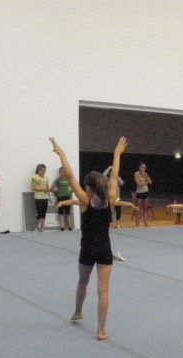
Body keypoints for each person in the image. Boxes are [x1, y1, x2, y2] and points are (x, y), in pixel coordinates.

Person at [50, 136, 136, 340]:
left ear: (88, 187)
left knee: (83, 281)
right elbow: (114, 176)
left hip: (87, 249)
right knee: (103, 290)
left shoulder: (85, 200)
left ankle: (78, 311)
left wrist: (61, 153)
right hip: (105, 249)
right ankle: (101, 330)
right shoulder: (110, 199)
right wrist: (117, 153)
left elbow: (70, 176)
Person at [52, 166, 73, 231]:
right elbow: (53, 187)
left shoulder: (68, 179)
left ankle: (69, 226)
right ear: (59, 172)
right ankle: (62, 227)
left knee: (67, 212)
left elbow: (73, 186)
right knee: (61, 212)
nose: (62, 173)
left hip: (67, 196)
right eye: (60, 172)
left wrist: (70, 191)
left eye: (63, 172)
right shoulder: (58, 179)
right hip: (60, 197)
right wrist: (55, 192)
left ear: (65, 172)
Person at [31, 163, 50, 232]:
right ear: (38, 170)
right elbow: (33, 188)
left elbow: (47, 187)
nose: (44, 172)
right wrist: (42, 189)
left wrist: (48, 190)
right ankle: (36, 228)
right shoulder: (34, 177)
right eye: (42, 171)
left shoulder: (46, 178)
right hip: (38, 197)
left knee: (43, 213)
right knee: (39, 212)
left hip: (45, 197)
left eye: (45, 171)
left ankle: (42, 228)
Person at [133, 161, 152, 227]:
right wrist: (145, 182)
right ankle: (137, 223)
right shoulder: (136, 174)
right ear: (139, 167)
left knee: (145, 209)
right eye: (142, 167)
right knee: (138, 208)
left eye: (144, 167)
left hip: (146, 192)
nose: (143, 169)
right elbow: (138, 184)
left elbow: (150, 182)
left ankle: (146, 223)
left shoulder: (145, 174)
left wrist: (146, 177)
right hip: (139, 193)